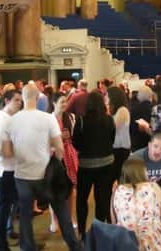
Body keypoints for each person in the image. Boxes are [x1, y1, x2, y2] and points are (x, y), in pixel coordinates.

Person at [3, 84, 79, 251]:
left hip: (22, 175)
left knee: (25, 215)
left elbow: (7, 152)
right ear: (38, 98)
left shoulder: (12, 121)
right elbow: (59, 148)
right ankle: (75, 246)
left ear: (22, 98)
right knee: (61, 211)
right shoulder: (47, 118)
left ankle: (27, 247)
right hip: (46, 174)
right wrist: (51, 154)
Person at [72, 90, 115, 239]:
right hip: (106, 163)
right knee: (101, 198)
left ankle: (82, 232)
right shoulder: (109, 119)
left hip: (86, 165)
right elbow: (112, 139)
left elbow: (75, 143)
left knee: (82, 199)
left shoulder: (81, 120)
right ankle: (99, 229)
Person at [111, 159, 161, 251]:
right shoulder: (153, 186)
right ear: (143, 172)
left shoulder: (118, 190)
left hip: (124, 242)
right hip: (151, 240)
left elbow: (114, 221)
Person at [0, 89, 22, 251]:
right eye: (16, 100)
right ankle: (0, 246)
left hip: (9, 170)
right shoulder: (2, 121)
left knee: (8, 209)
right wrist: (20, 150)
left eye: (20, 100)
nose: (20, 103)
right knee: (3, 210)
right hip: (3, 171)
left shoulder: (10, 119)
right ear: (7, 101)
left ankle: (2, 245)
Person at [50, 96, 78, 233]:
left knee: (70, 189)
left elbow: (75, 136)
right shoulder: (49, 119)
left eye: (66, 101)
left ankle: (70, 217)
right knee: (53, 190)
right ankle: (54, 220)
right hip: (54, 156)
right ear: (54, 103)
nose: (65, 104)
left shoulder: (71, 118)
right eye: (61, 102)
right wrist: (58, 138)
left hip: (69, 156)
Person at [130, 133, 161, 200]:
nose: (158, 151)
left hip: (154, 191)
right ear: (149, 145)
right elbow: (132, 186)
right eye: (155, 146)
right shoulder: (136, 158)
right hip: (135, 193)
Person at [108, 86, 131, 181]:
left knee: (118, 176)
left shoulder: (122, 110)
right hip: (116, 147)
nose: (105, 97)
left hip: (121, 148)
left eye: (107, 95)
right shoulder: (117, 110)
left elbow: (112, 127)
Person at [130, 86, 154, 152]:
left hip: (137, 145)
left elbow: (131, 129)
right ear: (150, 96)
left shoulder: (133, 110)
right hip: (151, 145)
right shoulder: (154, 109)